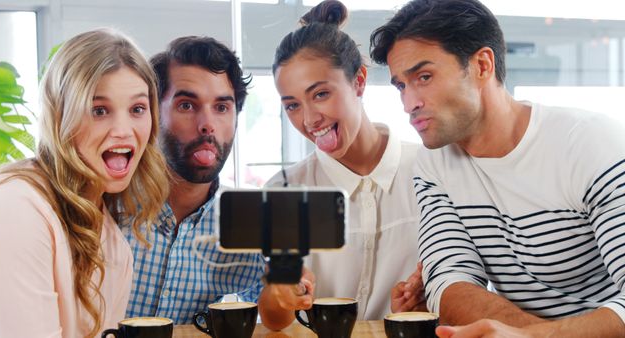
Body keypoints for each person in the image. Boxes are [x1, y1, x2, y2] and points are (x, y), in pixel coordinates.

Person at [370, 0, 625, 337]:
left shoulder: (589, 143)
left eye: (424, 77)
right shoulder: (433, 165)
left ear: (482, 65)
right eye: (401, 85)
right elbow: (449, 284)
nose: (408, 103)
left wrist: (533, 337)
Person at [0, 29, 168, 337]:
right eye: (99, 110)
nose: (124, 130)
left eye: (137, 109)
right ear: (61, 117)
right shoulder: (16, 206)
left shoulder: (114, 244)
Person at [258, 0, 424, 329]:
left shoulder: (430, 171)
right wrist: (281, 293)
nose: (308, 120)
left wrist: (423, 300)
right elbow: (274, 318)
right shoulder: (284, 189)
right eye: (292, 105)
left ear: (359, 81)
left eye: (320, 94)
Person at [121, 36, 266, 324]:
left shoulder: (250, 225)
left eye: (222, 107)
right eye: (187, 105)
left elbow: (279, 314)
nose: (208, 124)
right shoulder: (104, 206)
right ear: (151, 112)